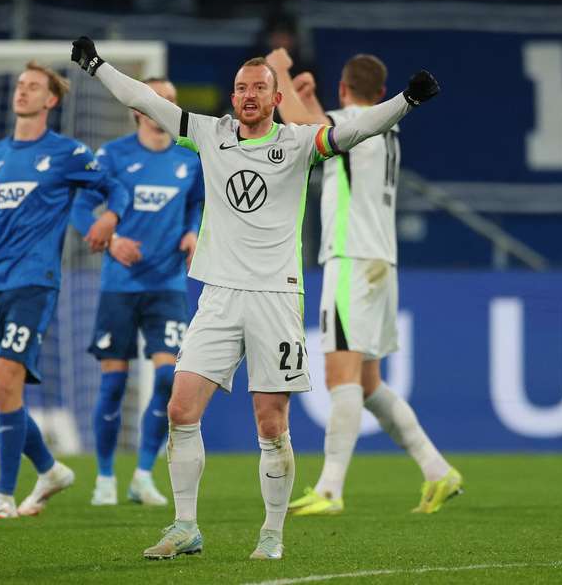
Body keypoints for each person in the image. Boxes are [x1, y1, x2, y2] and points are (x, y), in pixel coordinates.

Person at [72, 35, 439, 560]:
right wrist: (96, 66)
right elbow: (146, 101)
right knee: (180, 408)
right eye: (240, 87)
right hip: (218, 296)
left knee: (271, 422)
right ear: (233, 94)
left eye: (258, 88)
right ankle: (184, 526)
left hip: (275, 298)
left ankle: (271, 534)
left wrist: (406, 101)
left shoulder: (297, 144)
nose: (247, 95)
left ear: (274, 98)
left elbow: (355, 128)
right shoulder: (207, 133)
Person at [265, 47, 463, 516]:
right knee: (368, 382)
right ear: (380, 92)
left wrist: (282, 72)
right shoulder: (384, 128)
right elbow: (326, 131)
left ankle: (330, 489)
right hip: (380, 261)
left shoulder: (351, 120)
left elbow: (306, 128)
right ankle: (437, 471)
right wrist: (307, 100)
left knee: (340, 375)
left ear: (343, 90)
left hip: (351, 257)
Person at [0, 60, 129, 519]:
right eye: (20, 85)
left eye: (33, 86)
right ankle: (50, 471)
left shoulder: (68, 153)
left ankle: (3, 498)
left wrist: (109, 217)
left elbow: (117, 190)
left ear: (51, 100)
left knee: (9, 382)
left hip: (34, 282)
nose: (23, 91)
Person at [70, 77, 204, 507]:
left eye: (171, 99)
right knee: (114, 384)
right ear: (137, 107)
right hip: (120, 287)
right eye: (157, 99)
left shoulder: (189, 158)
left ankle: (143, 475)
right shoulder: (112, 156)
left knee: (168, 378)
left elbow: (197, 204)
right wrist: (110, 241)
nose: (165, 106)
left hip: (166, 284)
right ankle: (106, 477)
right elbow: (77, 206)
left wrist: (192, 233)